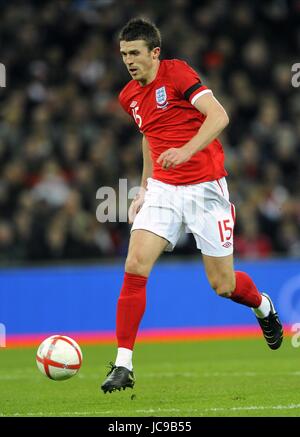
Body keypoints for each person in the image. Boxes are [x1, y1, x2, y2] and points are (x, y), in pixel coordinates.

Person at [101, 18, 283, 394]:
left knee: (223, 285)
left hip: (205, 190)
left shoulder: (178, 73)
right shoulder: (128, 96)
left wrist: (185, 151)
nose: (128, 61)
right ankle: (123, 364)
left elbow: (219, 116)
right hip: (164, 191)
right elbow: (149, 137)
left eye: (134, 53)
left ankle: (263, 306)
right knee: (135, 265)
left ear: (155, 52)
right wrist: (143, 187)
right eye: (123, 55)